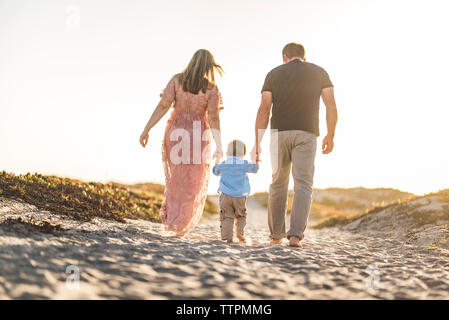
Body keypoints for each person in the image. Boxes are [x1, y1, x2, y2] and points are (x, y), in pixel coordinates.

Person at [251, 42, 338, 247]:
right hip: (306, 133)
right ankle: (295, 236)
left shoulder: (273, 74)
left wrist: (257, 142)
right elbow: (331, 104)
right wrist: (330, 134)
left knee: (278, 184)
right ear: (304, 57)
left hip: (279, 134)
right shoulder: (319, 72)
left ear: (284, 57)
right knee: (303, 185)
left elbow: (264, 109)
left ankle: (275, 236)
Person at [140, 49, 224, 236]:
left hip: (175, 133)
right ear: (210, 66)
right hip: (197, 136)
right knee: (193, 180)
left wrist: (147, 129)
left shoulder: (177, 80)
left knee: (175, 179)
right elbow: (214, 118)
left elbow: (163, 105)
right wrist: (219, 145)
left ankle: (172, 219)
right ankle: (181, 223)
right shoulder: (211, 89)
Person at [213, 140, 259, 243]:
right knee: (241, 215)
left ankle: (227, 238)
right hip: (240, 196)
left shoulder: (224, 164)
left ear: (226, 153)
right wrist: (254, 159)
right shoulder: (244, 163)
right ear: (243, 154)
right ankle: (239, 233)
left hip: (225, 196)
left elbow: (215, 171)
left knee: (227, 217)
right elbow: (255, 169)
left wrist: (217, 160)